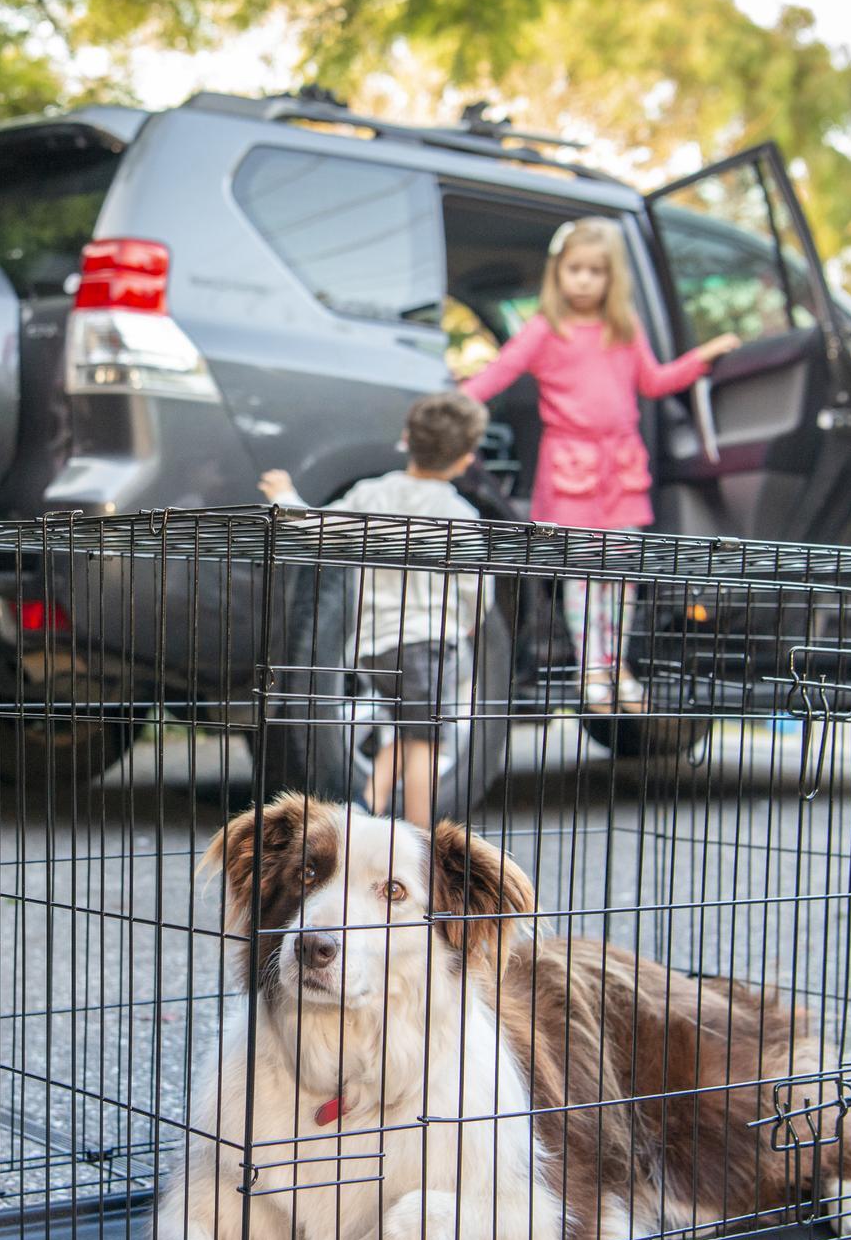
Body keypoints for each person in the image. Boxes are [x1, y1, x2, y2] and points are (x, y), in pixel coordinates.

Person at [460, 216, 739, 712]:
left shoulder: (623, 329)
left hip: (621, 469)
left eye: (596, 271)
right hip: (572, 471)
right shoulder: (545, 329)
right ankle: (591, 669)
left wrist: (702, 359)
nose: (585, 279)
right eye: (575, 269)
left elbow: (654, 382)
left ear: (612, 278)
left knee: (623, 575)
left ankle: (618, 668)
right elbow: (496, 375)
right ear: (558, 273)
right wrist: (449, 414)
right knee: (584, 576)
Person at [260, 390, 490, 830]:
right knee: (426, 742)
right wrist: (470, 622)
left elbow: (319, 528)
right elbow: (475, 585)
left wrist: (286, 494)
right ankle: (425, 843)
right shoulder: (459, 513)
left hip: (376, 644)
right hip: (430, 642)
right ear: (465, 458)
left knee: (410, 729)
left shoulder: (372, 495)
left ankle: (365, 807)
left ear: (406, 439)